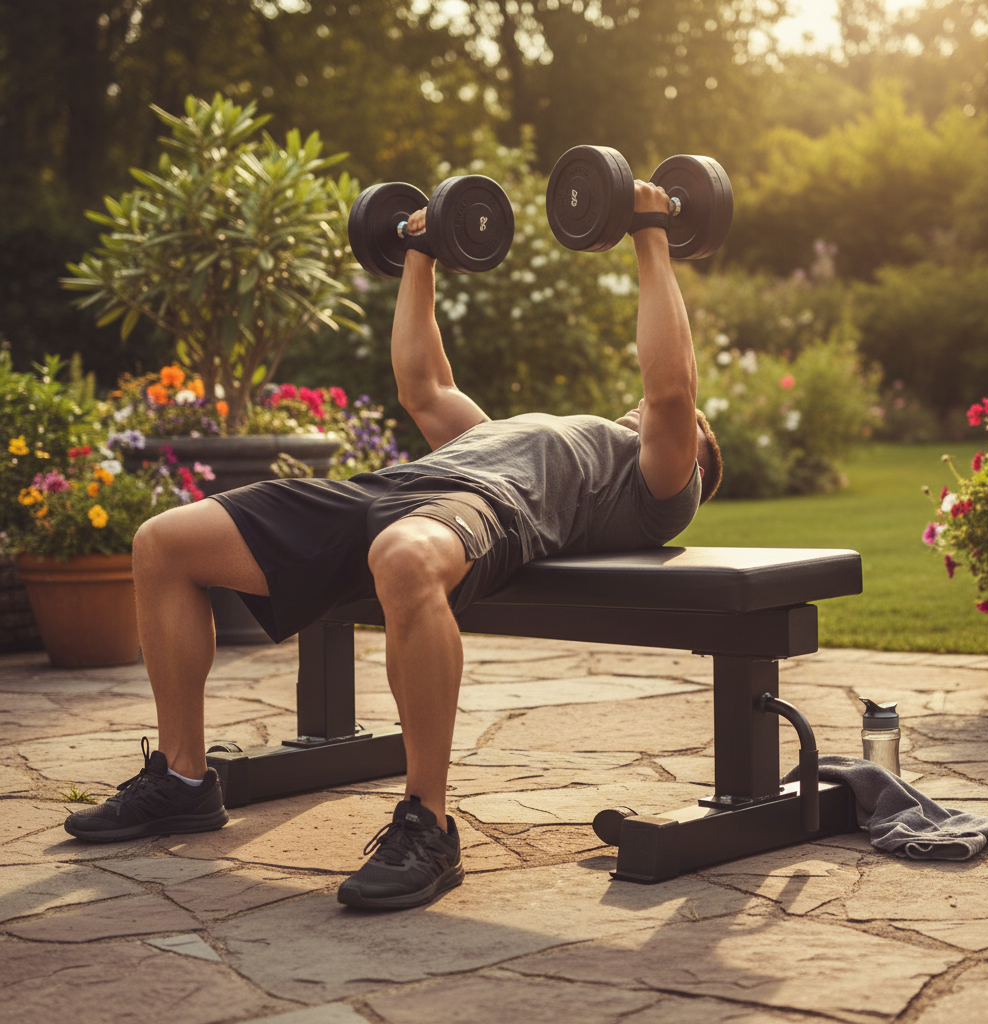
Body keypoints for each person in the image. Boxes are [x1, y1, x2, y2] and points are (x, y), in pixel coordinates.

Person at [64, 178, 723, 910]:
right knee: (163, 542)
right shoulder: (515, 431)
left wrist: (648, 230)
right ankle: (183, 779)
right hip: (382, 492)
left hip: (479, 511)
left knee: (405, 557)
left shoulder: (652, 487)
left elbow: (670, 393)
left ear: (696, 462)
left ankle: (428, 825)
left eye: (693, 426)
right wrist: (421, 248)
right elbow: (422, 386)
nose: (661, 415)